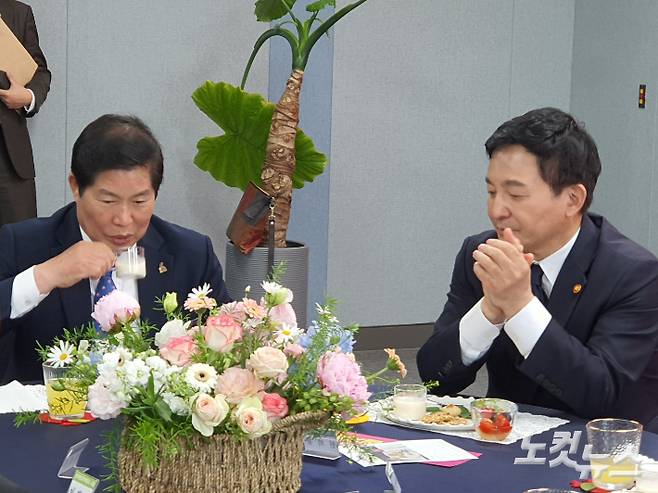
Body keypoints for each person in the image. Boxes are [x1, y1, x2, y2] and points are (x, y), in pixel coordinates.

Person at [417, 107, 658, 426]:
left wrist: (519, 305)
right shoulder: (483, 253)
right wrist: (489, 309)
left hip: (604, 458)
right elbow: (435, 379)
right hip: (504, 443)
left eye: (515, 194)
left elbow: (601, 396)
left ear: (573, 199)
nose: (496, 210)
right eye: (491, 191)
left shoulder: (635, 273)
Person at [0, 114, 231, 383]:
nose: (123, 219)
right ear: (76, 187)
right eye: (108, 201)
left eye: (139, 201)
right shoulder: (23, 243)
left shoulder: (190, 254)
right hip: (50, 419)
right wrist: (46, 275)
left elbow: (226, 345)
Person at [0, 0, 51, 226]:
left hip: (9, 161)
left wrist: (28, 97)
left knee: (20, 248)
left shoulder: (19, 13)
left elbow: (40, 72)